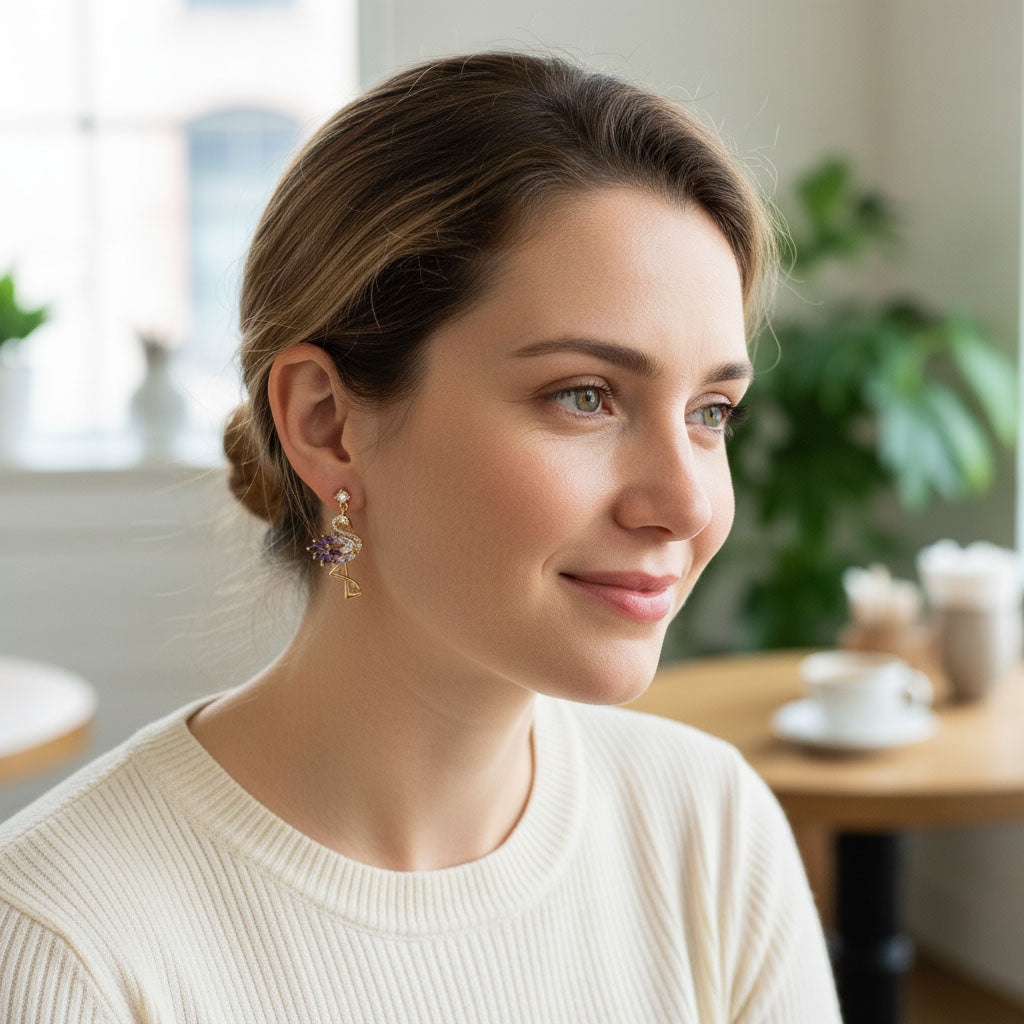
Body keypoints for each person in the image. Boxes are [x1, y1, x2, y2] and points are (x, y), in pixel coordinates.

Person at [0, 50, 842, 1022]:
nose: (687, 503)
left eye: (710, 411)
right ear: (326, 421)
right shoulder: (62, 945)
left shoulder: (708, 830)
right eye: (585, 396)